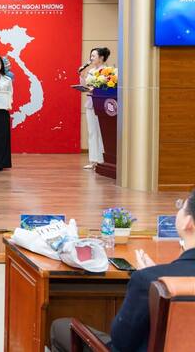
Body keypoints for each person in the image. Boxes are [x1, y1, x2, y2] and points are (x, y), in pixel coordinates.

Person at [50, 191, 195, 352]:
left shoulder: (147, 280)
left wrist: (151, 277)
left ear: (188, 222)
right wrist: (156, 274)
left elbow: (121, 342)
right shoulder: (154, 278)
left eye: (181, 207)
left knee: (60, 327)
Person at [80, 47, 110, 169]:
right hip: (91, 104)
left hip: (101, 105)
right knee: (92, 132)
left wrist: (96, 88)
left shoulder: (107, 71)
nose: (91, 58)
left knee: (101, 133)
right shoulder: (91, 71)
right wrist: (82, 75)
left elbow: (107, 87)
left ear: (101, 57)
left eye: (94, 56)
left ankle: (102, 160)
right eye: (91, 56)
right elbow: (85, 86)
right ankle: (93, 160)